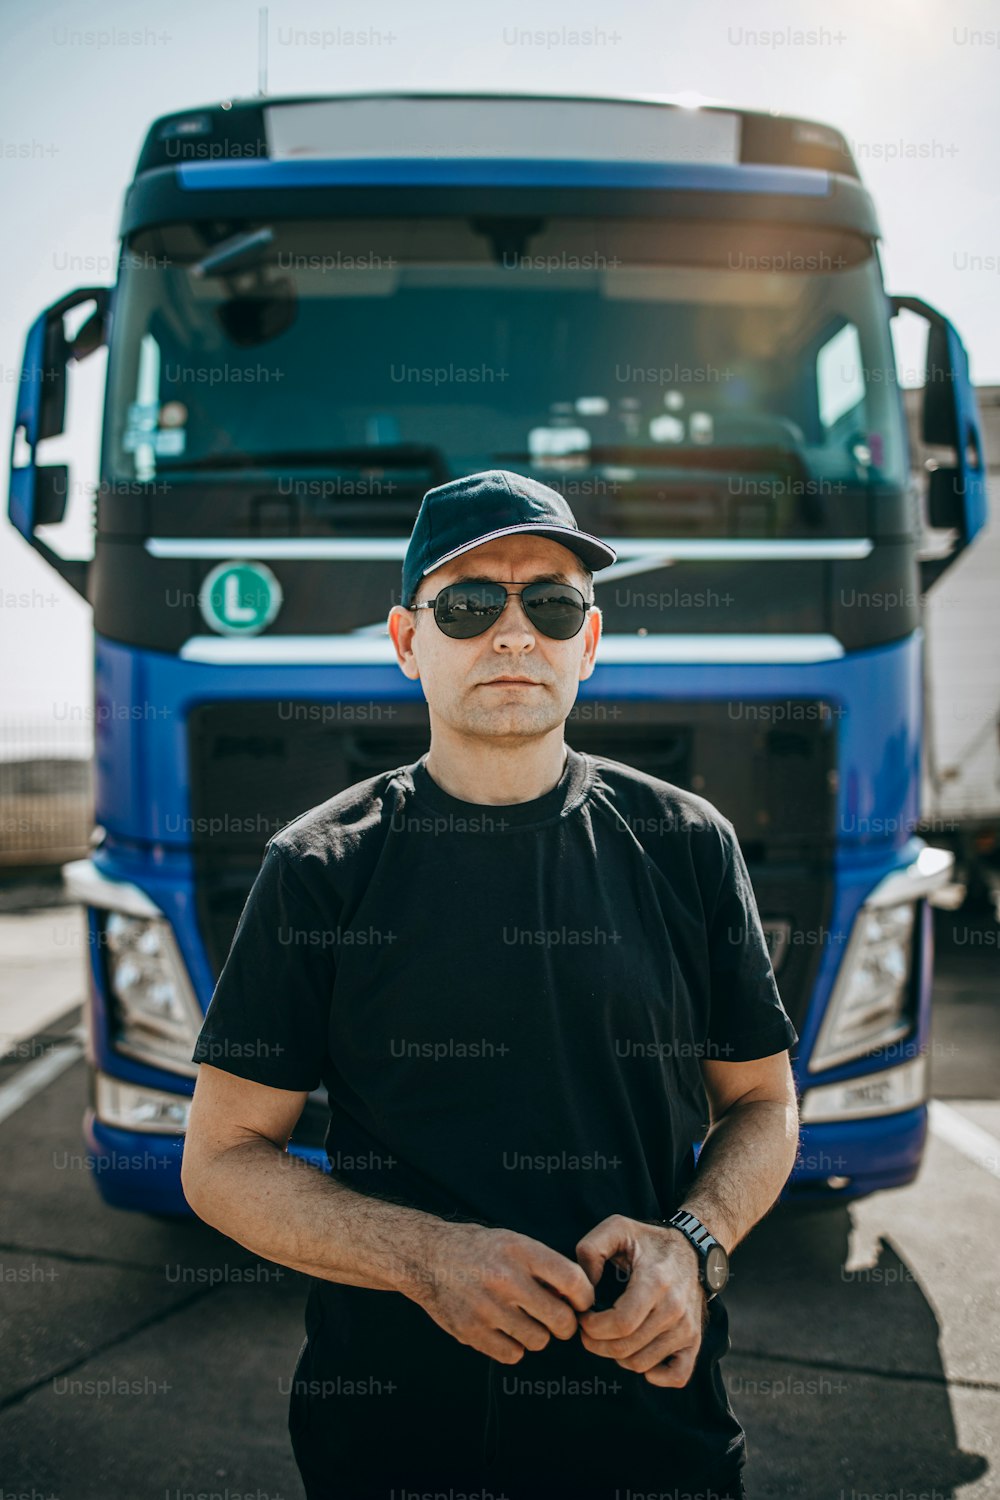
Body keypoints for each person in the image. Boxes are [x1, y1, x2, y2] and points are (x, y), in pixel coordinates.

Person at [182, 469, 800, 1500]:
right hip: (392, 1441)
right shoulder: (321, 868)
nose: (514, 635)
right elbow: (222, 1159)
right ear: (405, 641)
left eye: (550, 604)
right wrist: (426, 1258)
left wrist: (693, 1242)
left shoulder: (685, 843)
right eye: (468, 604)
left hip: (654, 1431)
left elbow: (764, 1104)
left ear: (587, 644)